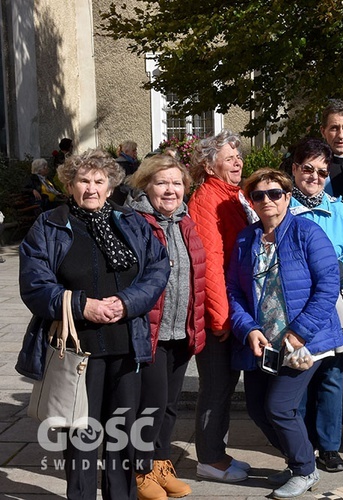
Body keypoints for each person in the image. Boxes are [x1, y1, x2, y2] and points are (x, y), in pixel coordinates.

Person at [19, 149, 171, 500]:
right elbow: (34, 283)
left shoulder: (130, 220)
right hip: (77, 348)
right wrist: (81, 305)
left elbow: (157, 268)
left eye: (99, 181)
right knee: (82, 437)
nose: (91, 188)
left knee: (123, 434)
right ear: (69, 185)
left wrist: (127, 302)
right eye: (83, 181)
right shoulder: (50, 224)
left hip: (126, 344)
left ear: (110, 185)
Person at [227, 168, 343, 499]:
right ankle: (299, 461)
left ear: (287, 197)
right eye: (259, 195)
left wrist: (300, 332)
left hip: (303, 342)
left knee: (280, 407)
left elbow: (327, 286)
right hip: (263, 343)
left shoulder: (308, 233)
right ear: (251, 201)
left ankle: (306, 469)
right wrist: (247, 328)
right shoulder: (245, 238)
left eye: (275, 193)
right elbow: (233, 290)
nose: (267, 200)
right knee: (256, 409)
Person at [126, 154, 206, 499]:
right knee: (151, 403)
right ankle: (139, 471)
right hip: (150, 332)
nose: (170, 190)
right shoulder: (134, 222)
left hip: (181, 329)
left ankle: (161, 464)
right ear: (146, 185)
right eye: (162, 183)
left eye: (176, 183)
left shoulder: (186, 220)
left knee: (171, 403)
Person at [285, 138, 343, 473]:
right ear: (294, 169)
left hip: (332, 307)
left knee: (332, 375)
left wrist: (332, 272)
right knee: (298, 373)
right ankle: (299, 443)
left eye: (322, 171)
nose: (315, 177)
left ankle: (330, 446)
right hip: (293, 307)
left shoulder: (341, 211)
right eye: (308, 169)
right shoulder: (282, 208)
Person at [187, 130, 256, 482]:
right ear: (209, 164)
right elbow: (210, 262)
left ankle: (219, 452)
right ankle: (209, 459)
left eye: (238, 157)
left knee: (226, 385)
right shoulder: (206, 199)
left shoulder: (233, 195)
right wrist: (219, 316)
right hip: (220, 313)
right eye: (230, 158)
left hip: (232, 308)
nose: (238, 162)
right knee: (215, 386)